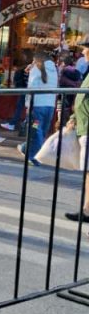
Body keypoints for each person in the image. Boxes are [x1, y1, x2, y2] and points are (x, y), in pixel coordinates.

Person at [17, 50, 58, 165]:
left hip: (37, 106)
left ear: (36, 60)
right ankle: (26, 149)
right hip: (50, 105)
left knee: (36, 130)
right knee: (42, 131)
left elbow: (31, 87)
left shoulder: (36, 69)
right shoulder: (54, 69)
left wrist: (28, 105)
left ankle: (31, 155)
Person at [65, 39, 89, 222]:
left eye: (87, 50)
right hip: (84, 127)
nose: (84, 53)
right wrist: (74, 118)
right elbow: (83, 99)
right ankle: (87, 210)